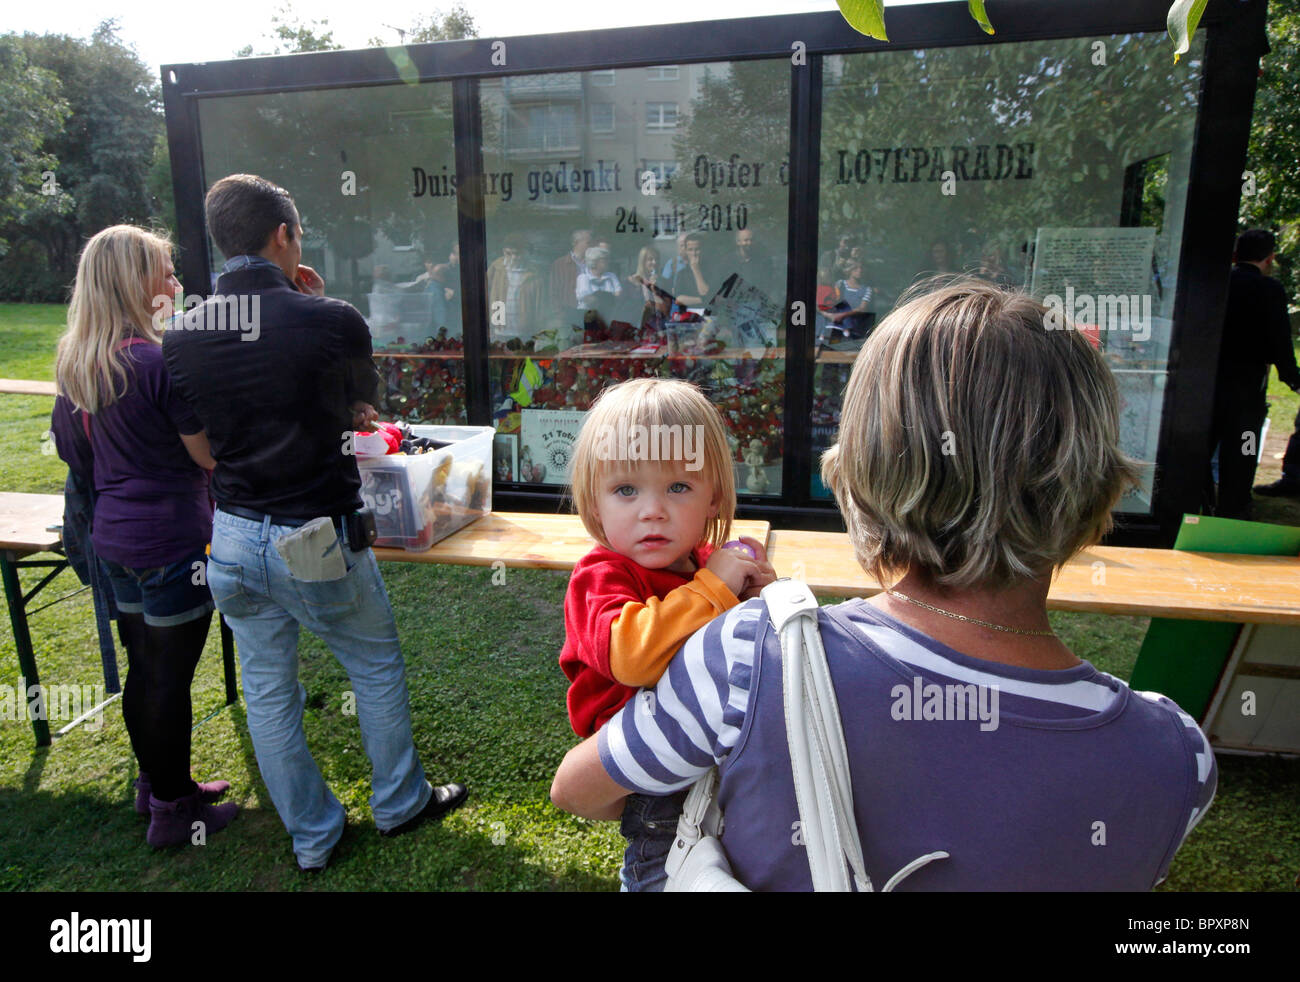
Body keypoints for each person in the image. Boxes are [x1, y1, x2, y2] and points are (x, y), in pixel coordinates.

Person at [553, 279, 1218, 891]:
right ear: (1097, 480)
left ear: (864, 469)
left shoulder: (749, 656)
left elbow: (579, 792)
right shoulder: (1180, 758)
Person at [162, 174, 466, 872]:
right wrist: (309, 303)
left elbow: (205, 448)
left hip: (233, 535)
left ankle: (313, 837)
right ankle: (399, 804)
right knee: (375, 664)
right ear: (284, 237)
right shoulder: (332, 317)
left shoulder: (182, 336)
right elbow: (361, 413)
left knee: (269, 690)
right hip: (315, 534)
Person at [50, 225, 238, 849]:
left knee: (143, 673)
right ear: (136, 284)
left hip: (113, 544)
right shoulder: (158, 363)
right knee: (170, 681)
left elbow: (78, 459)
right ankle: (174, 809)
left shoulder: (77, 364)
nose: (176, 284)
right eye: (164, 271)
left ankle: (155, 782)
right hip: (173, 543)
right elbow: (206, 456)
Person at [558, 378, 774, 891]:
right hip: (649, 781)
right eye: (625, 490)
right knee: (666, 872)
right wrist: (715, 587)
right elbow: (633, 656)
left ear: (715, 499)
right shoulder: (600, 576)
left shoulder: (701, 566)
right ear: (594, 501)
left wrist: (758, 595)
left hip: (709, 755)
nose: (651, 510)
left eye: (678, 487)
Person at [1209, 229, 1300, 516]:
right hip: (1247, 392)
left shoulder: (1219, 283)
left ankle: (1200, 501)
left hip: (1208, 385)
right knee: (1244, 448)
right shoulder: (1269, 290)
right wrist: (1292, 377)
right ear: (1270, 258)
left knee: (1203, 444)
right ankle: (1235, 506)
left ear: (1235, 255)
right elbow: (1280, 340)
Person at [487, 234, 545, 346]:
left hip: (525, 331)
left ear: (527, 253)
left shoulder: (535, 273)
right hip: (500, 330)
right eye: (508, 253)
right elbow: (485, 295)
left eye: (517, 254)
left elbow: (540, 306)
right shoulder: (496, 268)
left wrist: (539, 330)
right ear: (503, 252)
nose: (513, 257)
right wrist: (490, 324)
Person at [550, 229, 592, 315]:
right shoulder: (560, 264)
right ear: (575, 243)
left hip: (591, 313)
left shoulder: (594, 263)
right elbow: (553, 292)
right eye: (588, 243)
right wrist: (559, 314)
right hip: (568, 314)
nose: (591, 246)